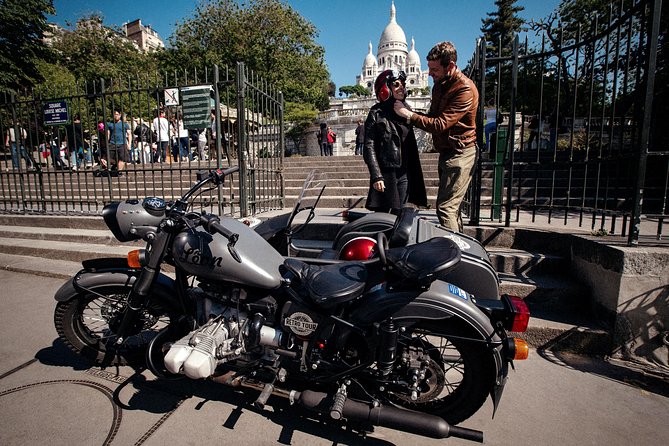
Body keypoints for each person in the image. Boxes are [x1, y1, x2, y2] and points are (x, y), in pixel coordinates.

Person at [394, 41, 479, 232]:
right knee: (451, 209)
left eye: (434, 69)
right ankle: (459, 247)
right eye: (429, 68)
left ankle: (453, 255)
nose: (430, 73)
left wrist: (409, 116)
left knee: (446, 208)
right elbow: (432, 117)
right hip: (447, 151)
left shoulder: (464, 89)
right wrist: (411, 111)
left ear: (450, 66)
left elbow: (440, 124)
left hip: (460, 153)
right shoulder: (439, 85)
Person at [363, 69, 427, 213]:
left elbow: (429, 122)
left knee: (402, 215)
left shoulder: (407, 111)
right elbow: (369, 146)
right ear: (385, 88)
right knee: (384, 218)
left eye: (403, 84)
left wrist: (407, 113)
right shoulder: (376, 112)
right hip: (386, 173)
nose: (401, 88)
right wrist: (376, 175)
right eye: (396, 84)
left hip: (405, 173)